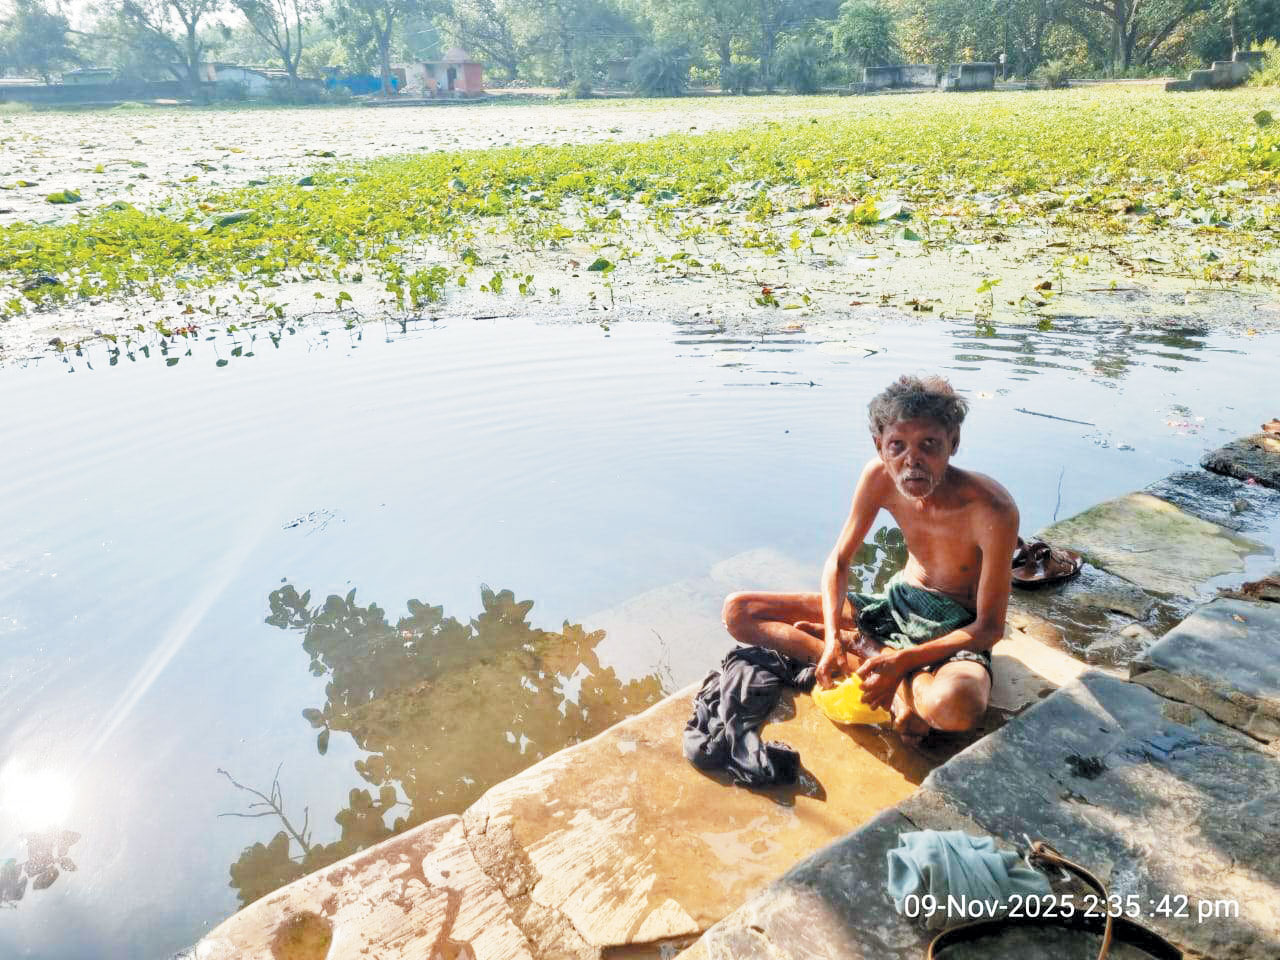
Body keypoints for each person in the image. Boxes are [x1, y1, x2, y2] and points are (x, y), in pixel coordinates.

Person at [721, 375, 1020, 741]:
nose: (912, 461)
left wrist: (904, 660)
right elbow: (838, 562)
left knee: (956, 706)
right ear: (880, 446)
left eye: (929, 444)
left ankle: (872, 653)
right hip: (895, 606)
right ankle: (886, 675)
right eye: (897, 446)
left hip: (956, 628)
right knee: (739, 612)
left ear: (953, 442)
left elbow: (989, 629)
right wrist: (833, 637)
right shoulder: (878, 477)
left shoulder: (993, 509)